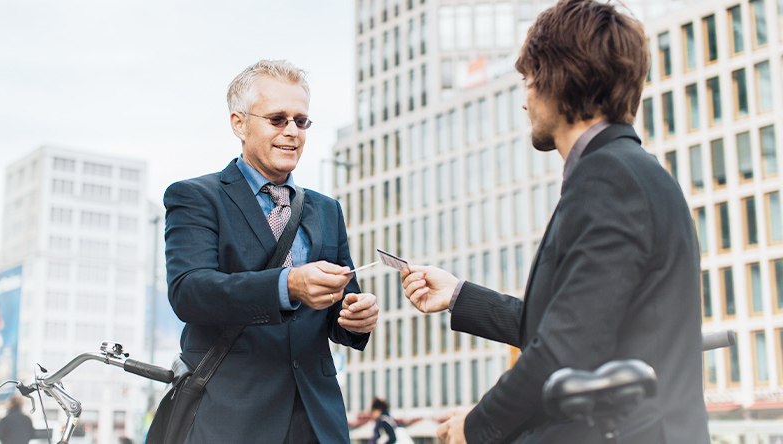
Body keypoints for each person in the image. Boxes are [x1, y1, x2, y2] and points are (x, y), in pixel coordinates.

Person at [400, 1, 709, 443]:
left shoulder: (609, 177)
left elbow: (567, 348)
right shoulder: (630, 170)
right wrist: (459, 296)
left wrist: (476, 426)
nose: (524, 100)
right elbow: (576, 323)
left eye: (528, 81)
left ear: (557, 82)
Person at [164, 59, 379, 444]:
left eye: (301, 120)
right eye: (277, 119)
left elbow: (340, 306)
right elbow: (189, 292)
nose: (292, 132)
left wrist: (354, 318)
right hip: (231, 417)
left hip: (317, 418)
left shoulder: (327, 209)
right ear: (239, 123)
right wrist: (288, 285)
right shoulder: (195, 197)